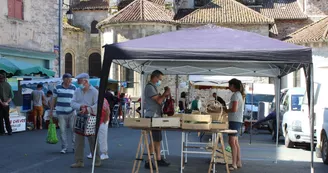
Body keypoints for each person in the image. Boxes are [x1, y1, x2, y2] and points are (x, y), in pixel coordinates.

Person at [70, 73, 101, 168]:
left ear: (86, 81)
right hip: (79, 117)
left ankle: (97, 160)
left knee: (93, 140)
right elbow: (72, 103)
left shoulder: (94, 92)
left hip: (91, 117)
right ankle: (79, 161)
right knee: (78, 141)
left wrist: (87, 109)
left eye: (79, 81)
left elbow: (98, 105)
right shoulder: (77, 91)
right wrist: (80, 106)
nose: (78, 83)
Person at [144, 70, 171, 169]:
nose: (160, 81)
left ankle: (158, 159)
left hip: (156, 116)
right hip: (152, 116)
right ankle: (148, 161)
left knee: (158, 139)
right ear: (154, 77)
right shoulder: (150, 87)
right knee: (154, 140)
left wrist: (164, 95)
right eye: (159, 79)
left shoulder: (153, 87)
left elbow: (159, 100)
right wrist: (165, 93)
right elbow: (159, 100)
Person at [50, 73, 76, 154]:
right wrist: (51, 110)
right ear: (63, 79)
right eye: (68, 79)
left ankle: (74, 147)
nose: (69, 81)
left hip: (72, 111)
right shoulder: (57, 88)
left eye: (70, 79)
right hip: (60, 112)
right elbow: (53, 99)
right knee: (62, 130)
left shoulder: (74, 87)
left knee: (73, 129)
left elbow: (76, 99)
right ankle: (64, 147)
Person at [224, 78, 245, 171]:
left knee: (232, 142)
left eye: (229, 85)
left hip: (235, 120)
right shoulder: (238, 94)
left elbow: (234, 109)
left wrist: (226, 110)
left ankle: (234, 164)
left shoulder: (236, 95)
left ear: (233, 86)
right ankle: (238, 162)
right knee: (235, 142)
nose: (229, 87)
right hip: (236, 120)